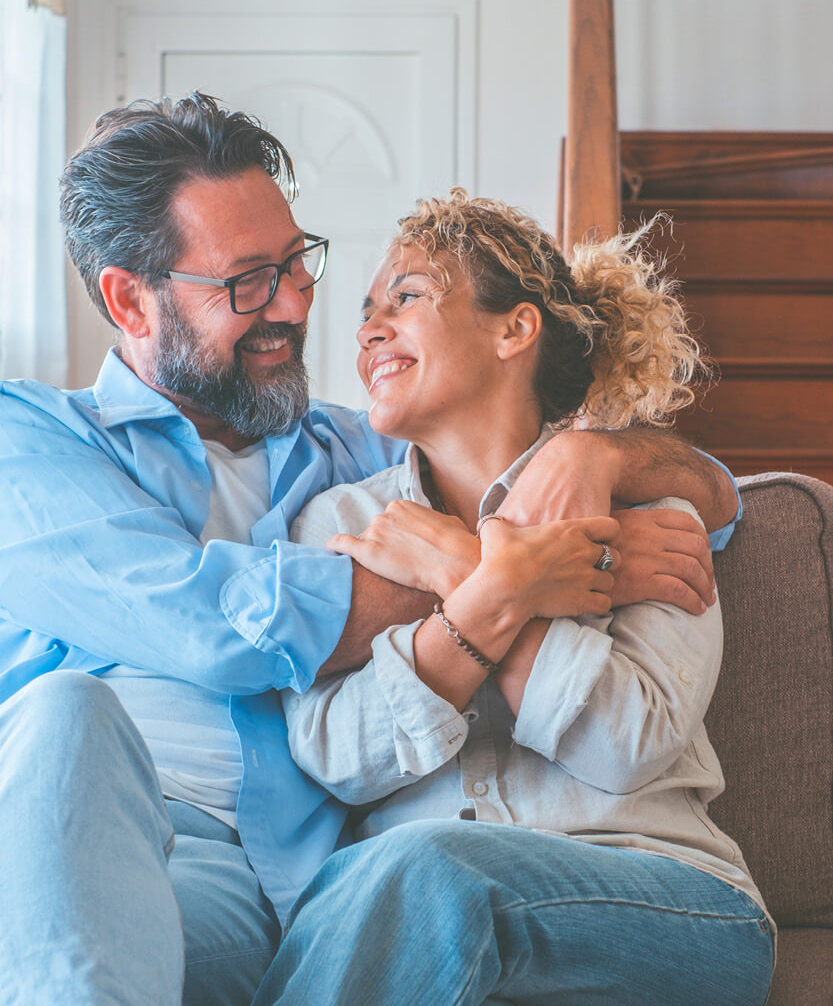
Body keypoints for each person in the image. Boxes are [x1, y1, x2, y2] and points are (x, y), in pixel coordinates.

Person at [0, 93, 740, 1006]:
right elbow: (212, 624)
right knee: (66, 711)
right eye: (246, 283)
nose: (294, 308)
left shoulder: (353, 458)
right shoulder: (32, 440)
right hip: (90, 829)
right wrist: (510, 572)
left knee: (378, 895)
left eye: (296, 265)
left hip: (270, 880)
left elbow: (700, 501)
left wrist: (599, 456)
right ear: (129, 300)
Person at [257, 190, 775, 1005]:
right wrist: (503, 588)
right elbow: (334, 757)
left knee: (426, 867)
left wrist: (461, 570)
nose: (367, 329)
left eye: (408, 296)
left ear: (514, 329)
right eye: (366, 311)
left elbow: (627, 743)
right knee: (409, 874)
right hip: (404, 906)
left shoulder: (650, 514)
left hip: (666, 903)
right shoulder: (340, 521)